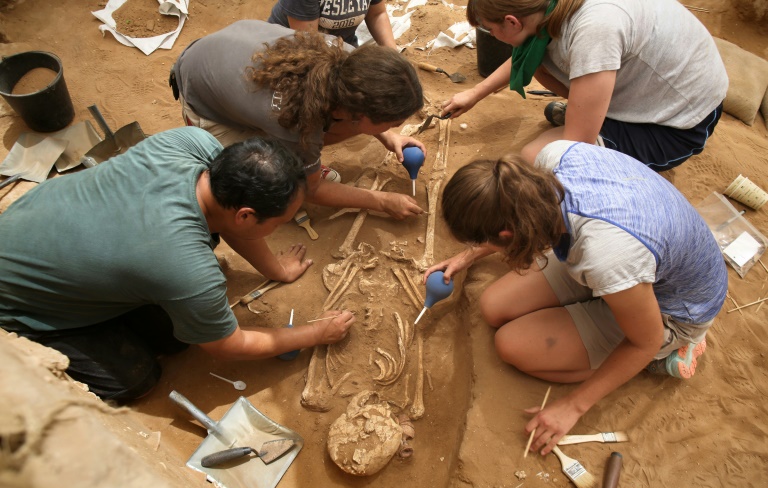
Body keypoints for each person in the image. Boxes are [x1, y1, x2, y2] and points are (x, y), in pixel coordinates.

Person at [0, 127, 355, 402]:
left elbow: (231, 221)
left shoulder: (193, 144)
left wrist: (276, 270)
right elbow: (227, 346)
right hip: (15, 302)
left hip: (32, 225)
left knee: (175, 333)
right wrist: (315, 334)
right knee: (137, 378)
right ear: (247, 216)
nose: (278, 228)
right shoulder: (186, 268)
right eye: (278, 222)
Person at [425, 140, 727, 454]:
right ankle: (608, 305)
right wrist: (469, 256)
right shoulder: (548, 161)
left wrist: (573, 407)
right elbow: (516, 217)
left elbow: (644, 340)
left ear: (506, 235)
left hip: (674, 308)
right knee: (493, 307)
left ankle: (672, 352)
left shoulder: (604, 256)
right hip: (631, 262)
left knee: (511, 345)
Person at [170, 20, 425, 220]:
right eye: (392, 123)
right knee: (272, 184)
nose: (396, 126)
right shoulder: (296, 119)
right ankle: (298, 166)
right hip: (202, 97)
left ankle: (304, 164)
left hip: (226, 54)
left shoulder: (349, 63)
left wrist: (389, 136)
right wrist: (381, 201)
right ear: (357, 112)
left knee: (313, 147)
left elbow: (361, 104)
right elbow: (312, 191)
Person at [442, 0, 728, 171]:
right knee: (539, 65)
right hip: (654, 88)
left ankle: (608, 131)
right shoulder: (548, 8)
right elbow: (526, 58)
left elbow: (576, 145)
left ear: (512, 21)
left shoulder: (594, 31)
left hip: (675, 125)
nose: (491, 36)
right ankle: (592, 112)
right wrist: (475, 93)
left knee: (537, 158)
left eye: (491, 30)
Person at [268, 0, 397, 49]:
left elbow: (377, 15)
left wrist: (394, 56)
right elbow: (309, 46)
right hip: (292, 50)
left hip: (342, 45)